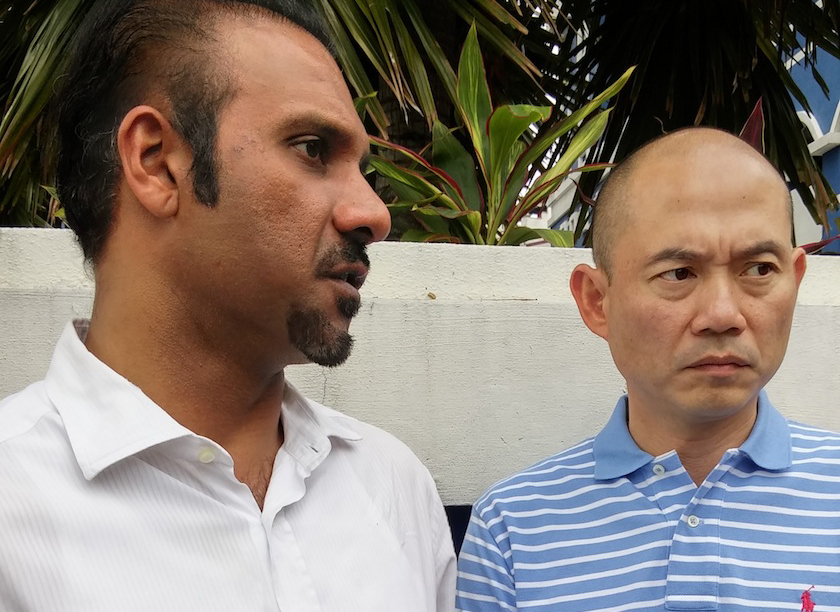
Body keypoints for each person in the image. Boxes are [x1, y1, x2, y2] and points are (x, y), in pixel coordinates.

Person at [0, 1, 455, 610]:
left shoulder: (393, 487)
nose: (374, 214)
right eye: (313, 148)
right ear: (158, 163)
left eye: (364, 170)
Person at [456, 127, 840, 611]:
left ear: (795, 280)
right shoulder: (512, 532)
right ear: (597, 301)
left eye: (759, 269)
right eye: (678, 274)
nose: (723, 314)